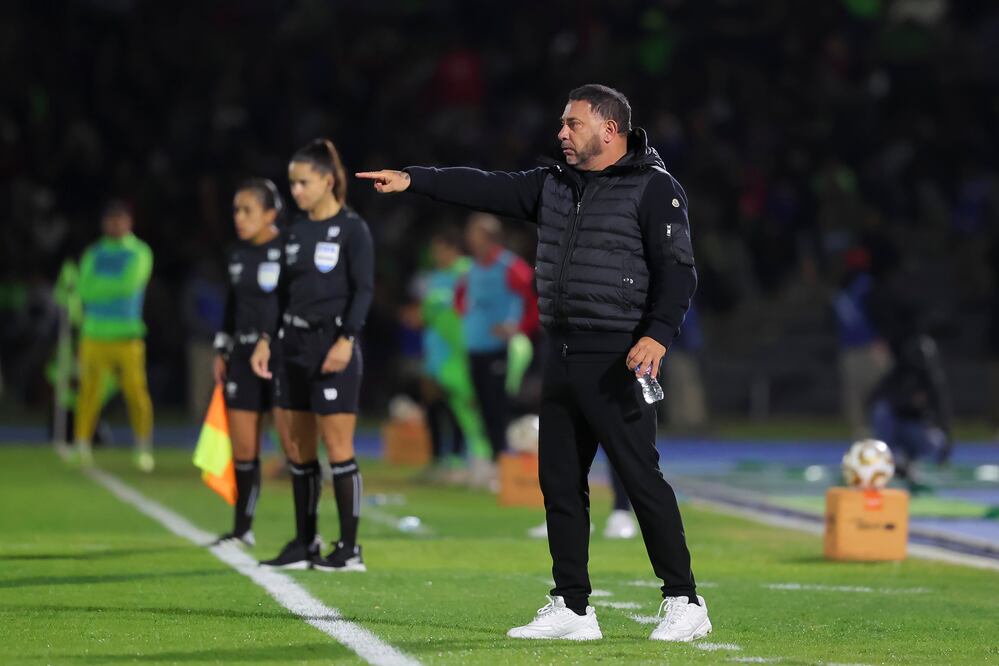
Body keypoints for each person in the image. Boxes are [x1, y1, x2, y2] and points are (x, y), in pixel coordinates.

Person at [359, 84, 710, 642]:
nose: (561, 133)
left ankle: (685, 599)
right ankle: (573, 607)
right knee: (560, 483)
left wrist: (658, 337)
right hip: (561, 353)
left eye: (572, 124)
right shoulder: (554, 185)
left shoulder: (654, 188)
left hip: (619, 354)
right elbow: (482, 186)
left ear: (609, 130)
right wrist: (415, 178)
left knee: (641, 479)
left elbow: (679, 272)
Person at [251, 139, 374, 572]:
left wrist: (346, 340)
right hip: (292, 347)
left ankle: (350, 549)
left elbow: (363, 291)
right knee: (298, 451)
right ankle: (306, 543)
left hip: (332, 346)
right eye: (292, 184)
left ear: (327, 180)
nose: (296, 191)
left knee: (338, 448)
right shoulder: (294, 232)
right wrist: (267, 339)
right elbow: (279, 295)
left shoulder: (353, 229)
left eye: (303, 182)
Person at [211, 179, 285, 547]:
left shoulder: (289, 250)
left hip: (281, 357)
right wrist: (222, 348)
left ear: (270, 214)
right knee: (244, 447)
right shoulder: (237, 255)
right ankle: (243, 530)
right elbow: (232, 307)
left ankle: (310, 534)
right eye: (236, 210)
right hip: (241, 358)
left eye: (247, 210)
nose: (239, 218)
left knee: (295, 447)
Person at [71, 201, 155, 472]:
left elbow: (129, 285)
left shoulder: (139, 252)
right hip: (93, 334)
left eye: (120, 220)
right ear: (104, 223)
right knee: (88, 393)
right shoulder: (94, 252)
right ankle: (82, 445)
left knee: (136, 393)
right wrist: (107, 289)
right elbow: (83, 290)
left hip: (127, 336)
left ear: (129, 222)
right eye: (111, 220)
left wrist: (99, 288)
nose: (115, 224)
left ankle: (142, 447)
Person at [455, 213, 539, 483]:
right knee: (480, 404)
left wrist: (519, 328)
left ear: (490, 238)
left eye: (475, 234)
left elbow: (535, 301)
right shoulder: (470, 268)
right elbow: (460, 299)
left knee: (497, 405)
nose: (470, 239)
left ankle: (503, 461)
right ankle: (492, 460)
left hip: (499, 348)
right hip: (474, 347)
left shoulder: (510, 266)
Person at [417, 228, 491, 480]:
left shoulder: (468, 272)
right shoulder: (435, 277)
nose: (437, 255)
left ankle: (461, 460)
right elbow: (427, 315)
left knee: (461, 406)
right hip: (435, 351)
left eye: (440, 249)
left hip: (461, 351)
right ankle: (439, 459)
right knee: (434, 406)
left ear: (453, 249)